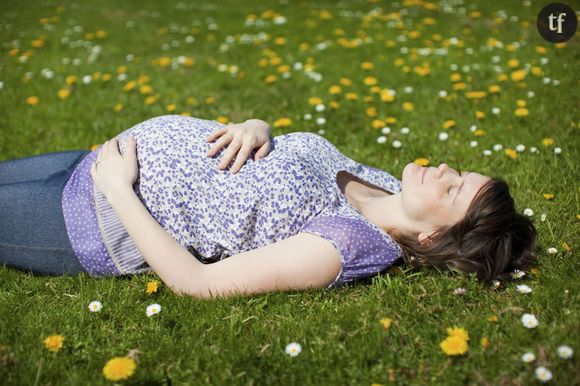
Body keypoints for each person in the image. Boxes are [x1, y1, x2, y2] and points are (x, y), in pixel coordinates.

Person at [0, 115, 538, 298]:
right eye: (459, 174)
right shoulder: (379, 186)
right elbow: (286, 159)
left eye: (451, 191)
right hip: (95, 161)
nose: (444, 171)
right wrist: (257, 128)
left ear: (430, 238)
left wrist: (118, 186)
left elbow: (199, 285)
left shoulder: (345, 244)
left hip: (89, 217)